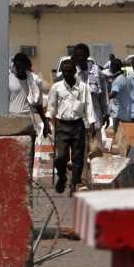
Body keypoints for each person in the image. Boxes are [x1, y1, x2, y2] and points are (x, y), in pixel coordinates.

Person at [48, 58, 97, 193]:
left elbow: (88, 106)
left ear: (75, 72)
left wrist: (91, 123)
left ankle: (74, 183)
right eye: (64, 72)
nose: (67, 74)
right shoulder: (56, 87)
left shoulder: (83, 88)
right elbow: (51, 106)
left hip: (78, 125)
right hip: (62, 126)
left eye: (70, 71)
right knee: (61, 157)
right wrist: (47, 121)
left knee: (78, 157)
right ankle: (62, 176)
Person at [8, 52, 45, 133]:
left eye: (23, 67)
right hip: (12, 118)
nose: (20, 69)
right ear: (14, 66)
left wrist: (45, 123)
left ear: (27, 66)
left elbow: (39, 105)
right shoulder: (9, 80)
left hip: (28, 119)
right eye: (18, 67)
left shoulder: (35, 82)